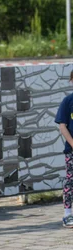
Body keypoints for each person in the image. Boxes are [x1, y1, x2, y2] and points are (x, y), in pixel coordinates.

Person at [55, 70, 73, 228]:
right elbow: (62, 126)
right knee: (70, 180)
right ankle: (67, 213)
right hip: (71, 150)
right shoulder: (68, 101)